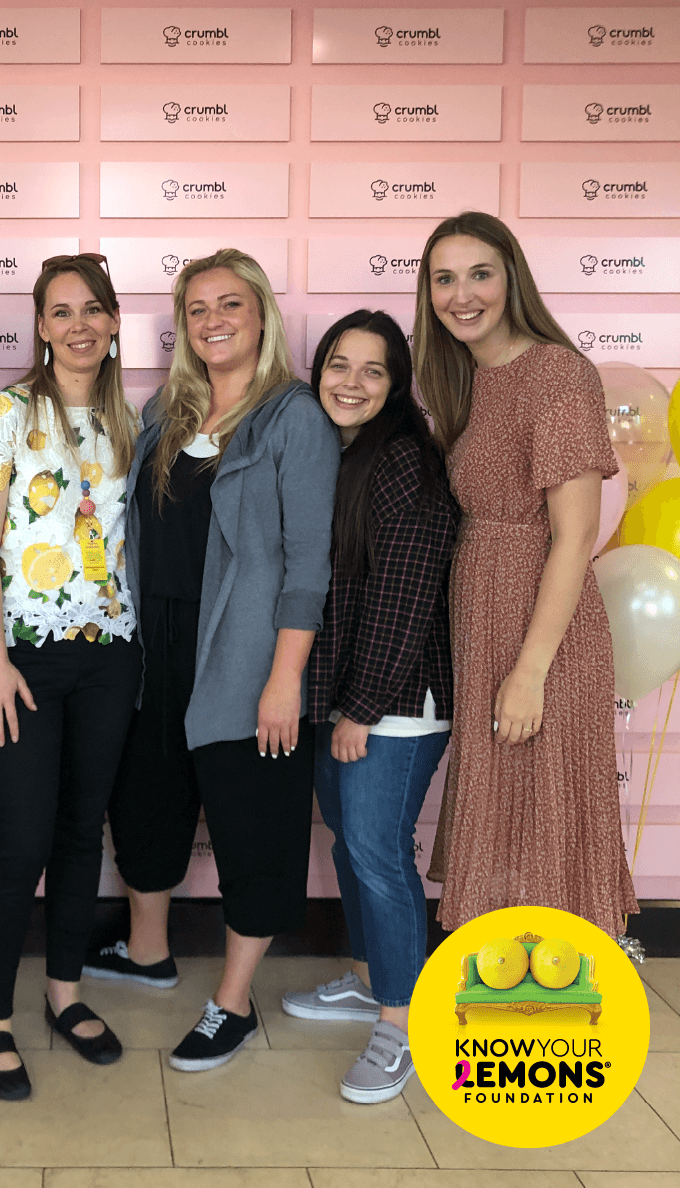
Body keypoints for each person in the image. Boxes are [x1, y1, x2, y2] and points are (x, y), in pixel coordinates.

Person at [87, 248, 340, 1073]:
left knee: (252, 823)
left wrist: (284, 678)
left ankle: (232, 1002)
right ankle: (147, 951)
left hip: (244, 649)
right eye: (196, 309)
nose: (213, 321)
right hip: (153, 645)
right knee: (144, 803)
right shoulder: (166, 408)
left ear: (261, 315)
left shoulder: (293, 418)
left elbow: (308, 565)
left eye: (230, 304)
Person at [414, 212, 638, 937]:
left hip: (544, 638)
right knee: (506, 818)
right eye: (445, 279)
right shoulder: (465, 378)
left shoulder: (557, 373)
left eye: (479, 273)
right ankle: (505, 982)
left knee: (547, 819)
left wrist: (530, 672)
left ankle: (562, 986)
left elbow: (574, 538)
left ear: (512, 278)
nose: (462, 295)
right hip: (484, 624)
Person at [0, 253, 141, 1101]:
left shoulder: (127, 419)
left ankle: (64, 992)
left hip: (110, 654)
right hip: (23, 657)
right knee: (18, 840)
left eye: (92, 310)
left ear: (113, 323)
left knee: (79, 833)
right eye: (61, 312)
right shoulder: (4, 412)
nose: (78, 326)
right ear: (39, 326)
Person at [281, 310, 459, 1105]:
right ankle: (369, 980)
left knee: (378, 853)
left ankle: (401, 1024)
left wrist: (360, 710)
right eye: (338, 364)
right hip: (344, 696)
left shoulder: (404, 462)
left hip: (395, 703)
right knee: (353, 849)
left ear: (396, 384)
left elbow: (404, 600)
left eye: (373, 369)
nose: (350, 382)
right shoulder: (340, 453)